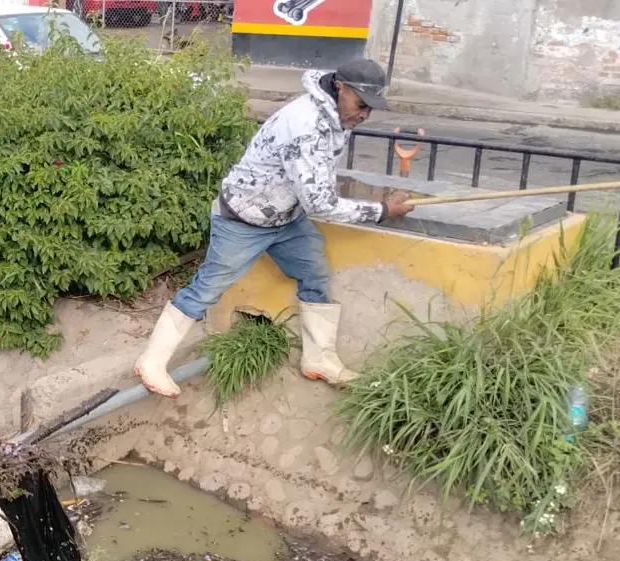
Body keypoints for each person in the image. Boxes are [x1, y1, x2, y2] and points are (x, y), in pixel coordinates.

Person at [135, 58, 415, 398]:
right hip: (243, 219)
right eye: (362, 105)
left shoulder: (336, 115)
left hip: (285, 218)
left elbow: (317, 183)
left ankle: (319, 358)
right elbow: (321, 204)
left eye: (371, 108)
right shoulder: (306, 126)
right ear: (340, 88)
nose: (365, 114)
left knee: (315, 273)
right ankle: (152, 361)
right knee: (207, 288)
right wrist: (382, 210)